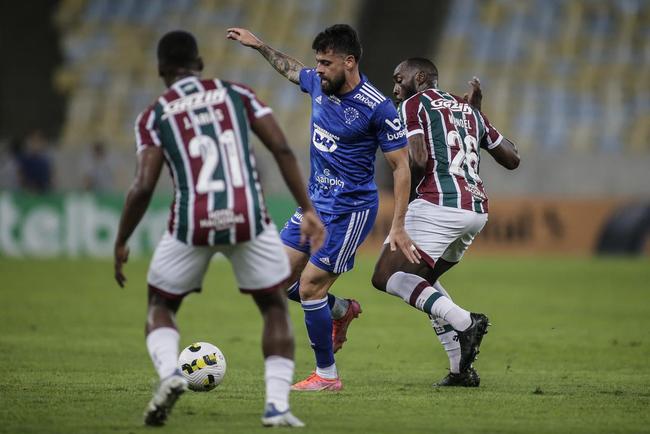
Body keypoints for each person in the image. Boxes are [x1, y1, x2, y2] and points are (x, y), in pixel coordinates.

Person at [113, 30, 325, 428]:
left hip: (192, 219)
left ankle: (170, 375)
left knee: (161, 305)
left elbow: (142, 186)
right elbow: (281, 149)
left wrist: (122, 240)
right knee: (274, 307)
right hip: (247, 215)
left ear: (161, 70)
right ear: (200, 64)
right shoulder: (237, 95)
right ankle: (277, 406)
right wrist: (308, 209)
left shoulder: (154, 115)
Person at [227, 24, 419, 391]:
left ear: (349, 62)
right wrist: (259, 45)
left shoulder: (377, 108)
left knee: (310, 287)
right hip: (315, 205)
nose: (318, 69)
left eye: (326, 63)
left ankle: (327, 377)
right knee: (278, 282)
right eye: (317, 61)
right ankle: (341, 310)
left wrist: (398, 225)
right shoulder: (318, 83)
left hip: (350, 211)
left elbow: (401, 167)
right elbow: (290, 68)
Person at [371, 58, 520, 386]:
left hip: (438, 204)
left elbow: (420, 159)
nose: (395, 87)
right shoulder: (467, 108)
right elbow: (512, 158)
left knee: (386, 277)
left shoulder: (413, 104)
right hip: (476, 211)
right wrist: (479, 114)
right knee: (422, 281)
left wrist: (398, 165)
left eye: (400, 79)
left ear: (421, 77)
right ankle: (459, 369)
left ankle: (466, 321)